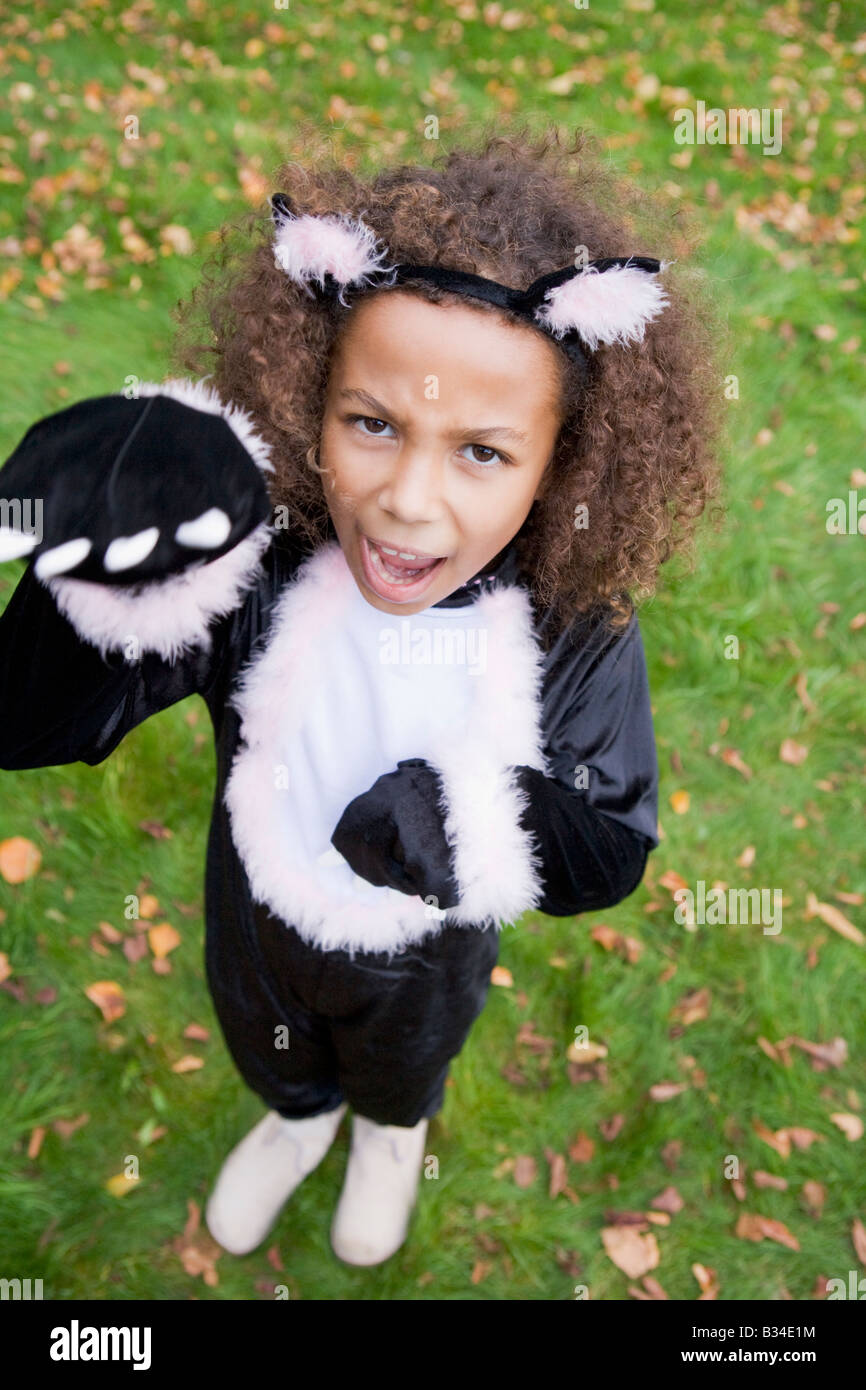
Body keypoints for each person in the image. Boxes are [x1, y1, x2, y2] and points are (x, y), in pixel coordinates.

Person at [0, 129, 723, 1268]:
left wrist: (474, 814)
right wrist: (90, 572)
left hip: (426, 952)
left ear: (564, 464)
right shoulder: (259, 562)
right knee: (266, 1042)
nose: (406, 504)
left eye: (481, 452)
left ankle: (389, 1136)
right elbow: (32, 721)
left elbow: (611, 843)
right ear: (306, 399)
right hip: (257, 904)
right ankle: (296, 1118)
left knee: (403, 1059)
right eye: (372, 424)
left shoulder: (573, 629)